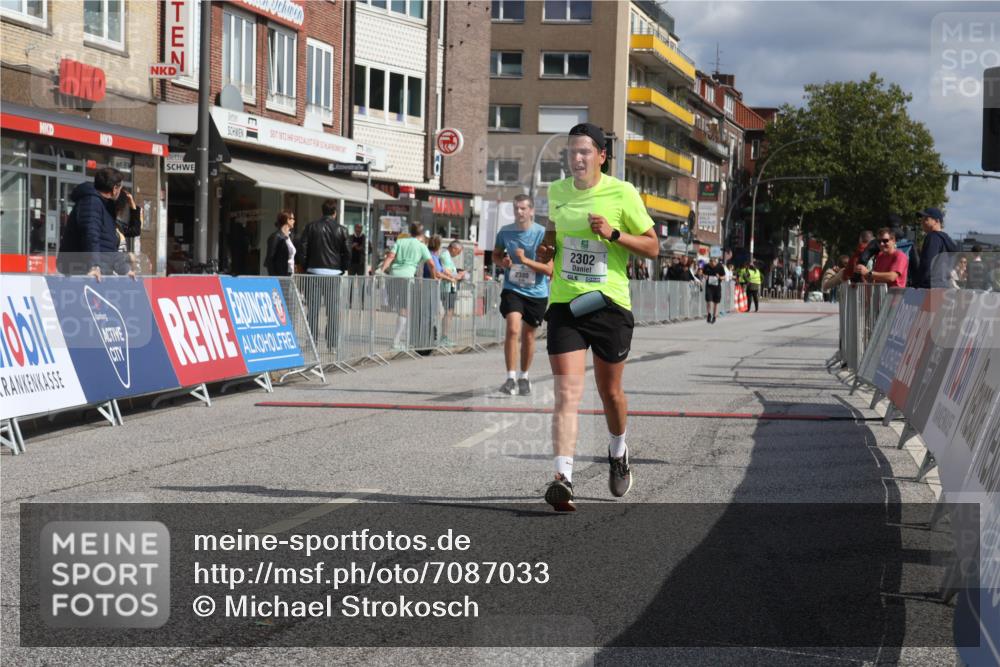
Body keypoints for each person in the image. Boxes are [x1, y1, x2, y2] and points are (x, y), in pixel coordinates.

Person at [537, 122, 659, 512]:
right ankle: (563, 478)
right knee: (567, 394)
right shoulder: (556, 192)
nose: (577, 157)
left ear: (602, 156)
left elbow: (653, 247)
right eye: (572, 150)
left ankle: (618, 450)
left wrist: (613, 234)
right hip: (566, 305)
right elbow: (553, 238)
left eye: (585, 151)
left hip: (608, 305)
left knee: (610, 392)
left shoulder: (622, 193)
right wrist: (546, 250)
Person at [493, 194, 553, 396]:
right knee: (512, 328)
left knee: (528, 335)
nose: (519, 212)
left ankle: (524, 376)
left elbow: (549, 270)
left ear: (532, 211)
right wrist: (503, 263)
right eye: (516, 208)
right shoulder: (505, 232)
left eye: (523, 208)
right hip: (513, 288)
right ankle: (510, 377)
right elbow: (496, 255)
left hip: (536, 292)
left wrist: (524, 260)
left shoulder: (542, 234)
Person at [58, 167, 136, 279]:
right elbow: (91, 235)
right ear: (115, 189)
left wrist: (124, 270)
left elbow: (109, 245)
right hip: (82, 271)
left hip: (99, 271)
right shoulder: (91, 202)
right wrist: (94, 265)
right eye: (121, 188)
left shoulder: (106, 206)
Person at [298, 200, 350, 350]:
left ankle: (312, 341)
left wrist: (306, 266)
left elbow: (303, 248)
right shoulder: (342, 229)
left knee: (313, 309)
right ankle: (332, 343)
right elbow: (347, 253)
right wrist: (342, 269)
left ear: (322, 211)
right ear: (335, 213)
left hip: (313, 272)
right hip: (333, 273)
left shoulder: (311, 227)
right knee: (332, 310)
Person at [380, 222, 438, 350]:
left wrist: (382, 270)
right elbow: (432, 265)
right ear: (421, 234)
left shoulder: (400, 242)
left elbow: (390, 256)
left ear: (410, 232)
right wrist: (434, 278)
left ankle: (398, 339)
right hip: (407, 278)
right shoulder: (421, 246)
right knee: (404, 309)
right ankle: (396, 341)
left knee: (397, 307)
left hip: (394, 275)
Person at [914, 207, 959, 288]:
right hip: (944, 286)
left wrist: (919, 285)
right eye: (922, 219)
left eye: (926, 219)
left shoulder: (933, 237)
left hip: (930, 289)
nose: (922, 222)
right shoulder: (948, 240)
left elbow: (927, 264)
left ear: (937, 221)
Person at [438, 240, 466, 346]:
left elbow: (450, 271)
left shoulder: (448, 256)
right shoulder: (445, 255)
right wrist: (458, 275)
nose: (458, 254)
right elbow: (446, 271)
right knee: (448, 312)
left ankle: (444, 336)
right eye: (458, 252)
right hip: (447, 288)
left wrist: (458, 273)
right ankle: (443, 337)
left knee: (450, 312)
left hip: (451, 287)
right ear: (453, 248)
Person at [264, 210, 297, 276]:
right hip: (280, 275)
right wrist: (273, 278)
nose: (294, 221)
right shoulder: (276, 237)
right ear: (287, 220)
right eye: (293, 219)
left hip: (289, 273)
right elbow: (270, 259)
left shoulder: (290, 236)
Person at [702, 256, 725, 323]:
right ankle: (709, 314)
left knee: (716, 303)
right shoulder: (706, 266)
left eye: (713, 262)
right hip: (709, 286)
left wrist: (719, 277)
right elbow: (703, 273)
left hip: (717, 287)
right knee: (708, 301)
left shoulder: (720, 267)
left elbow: (724, 277)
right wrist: (704, 276)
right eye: (710, 262)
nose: (712, 264)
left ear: (716, 262)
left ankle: (714, 316)